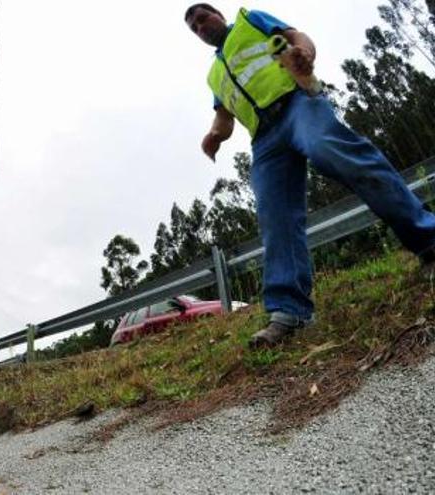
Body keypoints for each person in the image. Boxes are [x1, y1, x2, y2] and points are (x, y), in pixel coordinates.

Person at [184, 4, 435, 348]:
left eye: (203, 17)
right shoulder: (214, 75)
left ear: (219, 13)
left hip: (297, 103)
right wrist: (215, 135)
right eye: (194, 27)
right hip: (265, 139)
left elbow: (295, 37)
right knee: (275, 214)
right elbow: (225, 118)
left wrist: (304, 53)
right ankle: (290, 311)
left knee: (333, 151)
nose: (200, 26)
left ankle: (428, 240)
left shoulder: (249, 21)